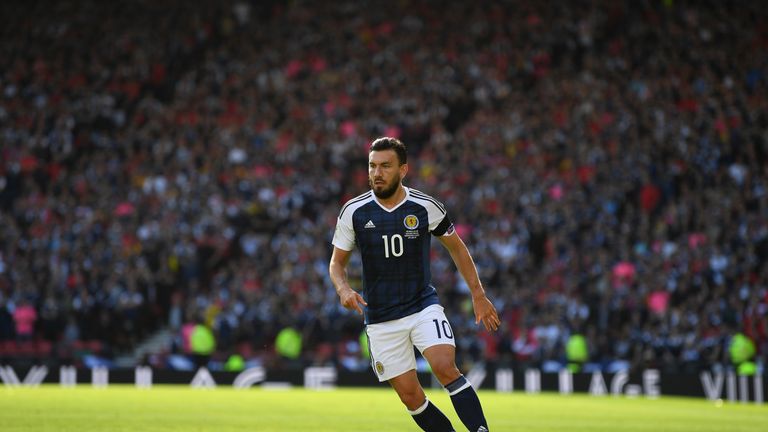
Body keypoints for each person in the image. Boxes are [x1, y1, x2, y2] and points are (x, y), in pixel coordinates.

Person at [329, 137, 500, 432]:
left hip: (422, 305)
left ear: (403, 170)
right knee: (410, 396)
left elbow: (457, 248)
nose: (377, 173)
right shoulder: (353, 212)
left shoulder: (425, 206)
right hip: (381, 317)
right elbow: (336, 263)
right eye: (372, 166)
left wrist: (478, 295)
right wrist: (343, 289)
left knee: (444, 367)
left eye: (385, 166)